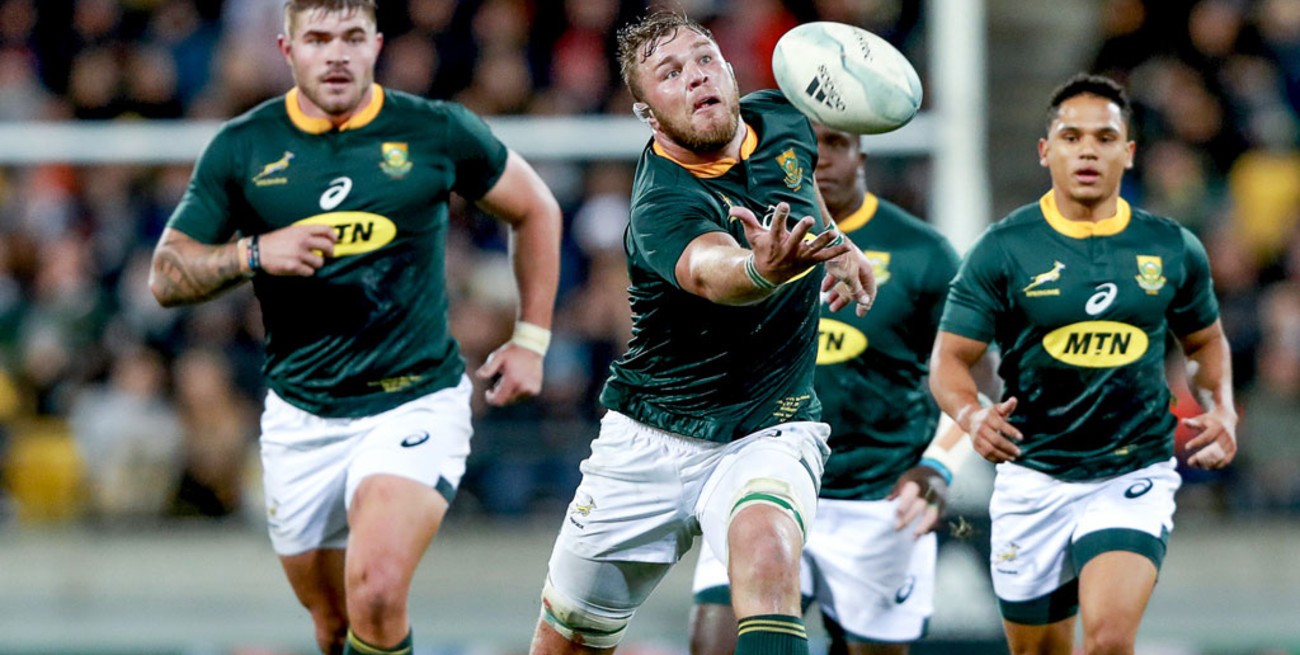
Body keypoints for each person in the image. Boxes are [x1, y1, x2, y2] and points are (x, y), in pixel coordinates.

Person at [148, 1, 562, 653]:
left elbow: (535, 207)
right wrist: (254, 253)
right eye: (318, 38)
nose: (336, 53)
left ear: (377, 45)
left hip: (413, 400)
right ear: (287, 50)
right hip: (301, 416)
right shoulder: (245, 145)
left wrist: (531, 339)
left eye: (351, 37)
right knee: (333, 621)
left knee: (375, 587)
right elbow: (167, 274)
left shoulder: (434, 129)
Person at [528, 12, 875, 655]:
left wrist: (836, 242)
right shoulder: (660, 203)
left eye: (705, 59)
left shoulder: (784, 122)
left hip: (769, 427)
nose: (695, 77)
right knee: (568, 638)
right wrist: (761, 269)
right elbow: (715, 273)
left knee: (769, 555)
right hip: (649, 437)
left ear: (730, 70)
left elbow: (803, 187)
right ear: (648, 115)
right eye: (669, 73)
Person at [930, 73, 1237, 655]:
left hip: (1131, 470)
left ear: (1129, 152)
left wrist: (1221, 407)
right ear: (1045, 151)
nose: (1088, 151)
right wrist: (971, 415)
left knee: (1108, 638)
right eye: (1071, 137)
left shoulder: (1170, 247)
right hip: (1033, 474)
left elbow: (1205, 342)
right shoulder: (1003, 249)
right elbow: (950, 360)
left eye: (1105, 137)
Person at [688, 123, 970, 655]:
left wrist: (939, 466)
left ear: (862, 153)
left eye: (836, 143)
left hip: (878, 499)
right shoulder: (743, 241)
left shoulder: (923, 252)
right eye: (805, 146)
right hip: (761, 482)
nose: (818, 160)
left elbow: (975, 377)